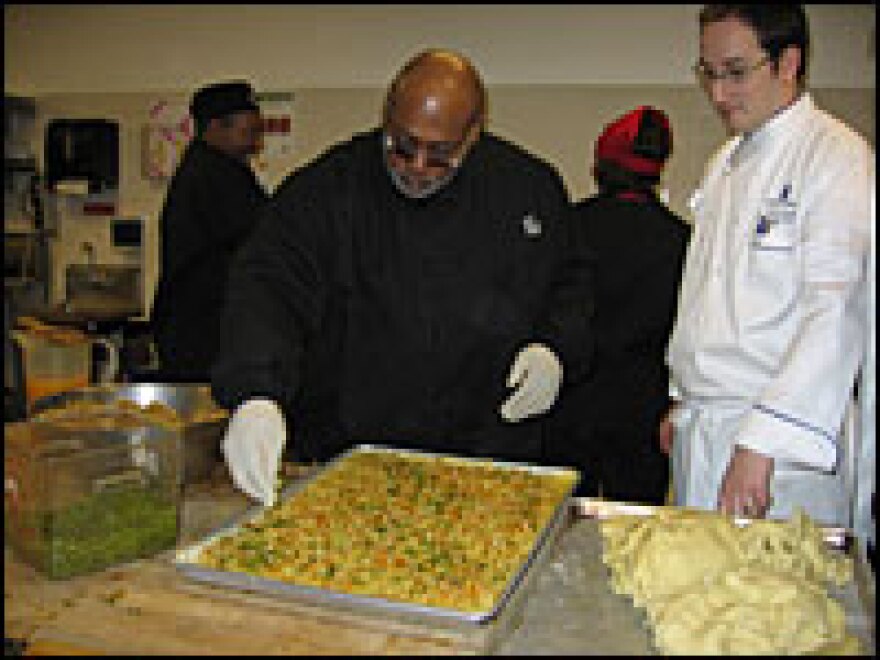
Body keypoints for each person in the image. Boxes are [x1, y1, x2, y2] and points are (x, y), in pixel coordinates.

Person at [211, 49, 596, 506]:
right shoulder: (330, 191)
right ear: (386, 117)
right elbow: (268, 284)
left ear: (473, 136)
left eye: (439, 154)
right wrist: (256, 391)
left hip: (486, 460)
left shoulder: (526, 190)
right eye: (402, 145)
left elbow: (571, 283)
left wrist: (555, 349)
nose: (416, 167)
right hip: (351, 456)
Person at [662, 5, 874, 528]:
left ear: (788, 63)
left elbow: (835, 310)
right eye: (707, 73)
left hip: (781, 444)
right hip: (708, 427)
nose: (717, 94)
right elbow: (707, 295)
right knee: (699, 594)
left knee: (774, 600)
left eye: (735, 73)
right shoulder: (725, 162)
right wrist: (683, 397)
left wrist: (763, 441)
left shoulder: (834, 155)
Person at [546, 106, 690, 504]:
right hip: (643, 416)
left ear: (601, 165)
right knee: (635, 539)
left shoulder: (569, 227)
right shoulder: (683, 242)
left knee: (563, 529)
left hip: (571, 409)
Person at [150, 81, 268, 382]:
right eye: (250, 131)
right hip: (201, 332)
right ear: (215, 127)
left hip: (209, 328)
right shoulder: (211, 175)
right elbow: (261, 241)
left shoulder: (226, 169)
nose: (258, 139)